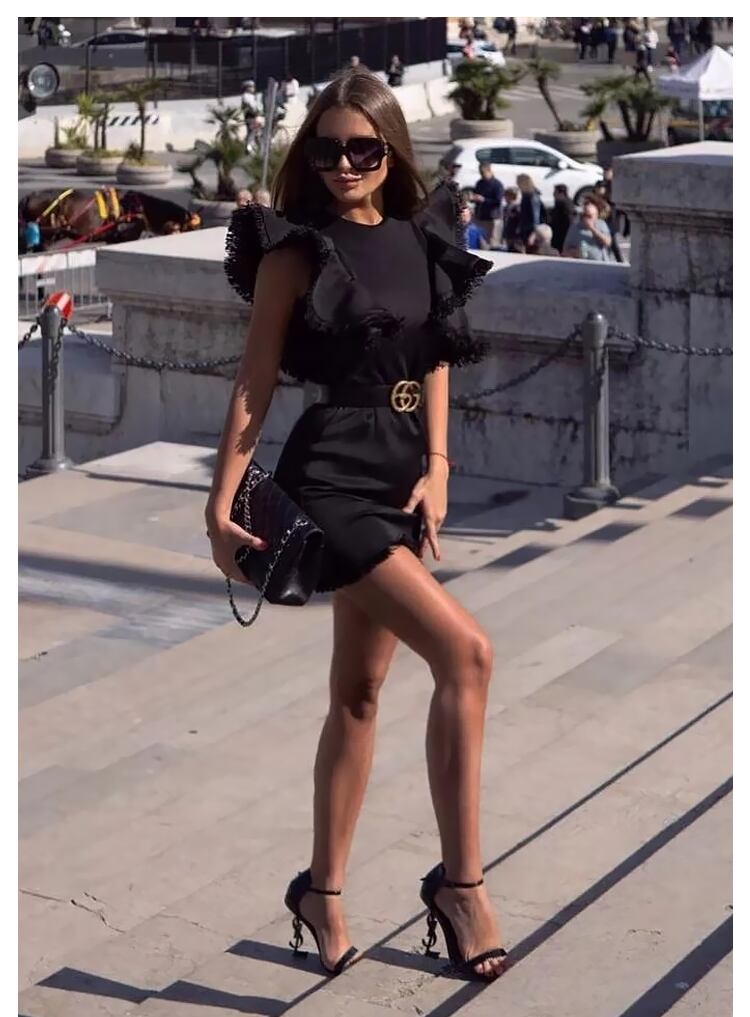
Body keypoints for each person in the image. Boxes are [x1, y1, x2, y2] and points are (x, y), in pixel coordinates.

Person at [211, 68, 507, 983]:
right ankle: (462, 886)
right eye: (328, 149)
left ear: (390, 152)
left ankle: (322, 891)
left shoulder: (422, 240)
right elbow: (256, 379)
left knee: (359, 695)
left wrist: (439, 466)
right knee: (467, 654)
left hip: (400, 476)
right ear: (310, 155)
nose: (344, 164)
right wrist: (221, 502)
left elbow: (436, 354)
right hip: (332, 478)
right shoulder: (295, 252)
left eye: (363, 148)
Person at [562, 195, 614, 261]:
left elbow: (607, 242)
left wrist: (592, 229)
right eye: (585, 215)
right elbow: (565, 250)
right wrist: (575, 253)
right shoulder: (575, 227)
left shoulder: (601, 224)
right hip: (580, 264)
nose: (587, 219)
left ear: (596, 216)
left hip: (599, 263)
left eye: (590, 216)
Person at [471, 162, 504, 248]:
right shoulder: (480, 183)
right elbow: (475, 194)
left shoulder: (497, 184)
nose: (482, 175)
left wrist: (484, 200)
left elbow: (498, 201)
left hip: (492, 218)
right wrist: (473, 198)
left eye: (483, 172)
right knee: (481, 242)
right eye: (480, 172)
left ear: (489, 171)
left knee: (492, 242)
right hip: (480, 216)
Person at [516, 173, 547, 250]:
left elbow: (535, 216)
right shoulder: (526, 195)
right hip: (525, 228)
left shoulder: (532, 197)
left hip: (530, 229)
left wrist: (534, 233)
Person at [548, 183, 576, 253]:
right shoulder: (560, 203)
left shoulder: (565, 205)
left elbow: (569, 221)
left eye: (555, 192)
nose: (553, 194)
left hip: (561, 235)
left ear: (561, 193)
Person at [502, 187, 522, 251]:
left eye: (506, 196)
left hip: (515, 235)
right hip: (508, 233)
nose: (505, 198)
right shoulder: (506, 207)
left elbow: (520, 220)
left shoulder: (517, 207)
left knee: (516, 250)